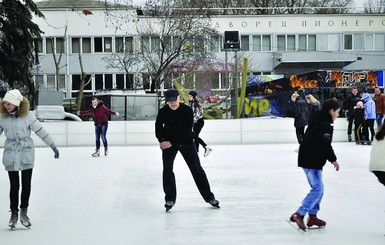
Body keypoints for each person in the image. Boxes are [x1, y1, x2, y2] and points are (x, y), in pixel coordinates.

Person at [0, 89, 60, 229]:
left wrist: (53, 146)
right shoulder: (2, 117)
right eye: (4, 103)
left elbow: (41, 132)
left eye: (9, 103)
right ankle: (14, 213)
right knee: (14, 186)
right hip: (11, 152)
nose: (6, 106)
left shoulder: (28, 116)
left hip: (26, 152)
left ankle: (24, 212)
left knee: (26, 185)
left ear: (16, 103)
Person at [155, 89, 219, 212]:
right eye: (169, 101)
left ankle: (209, 197)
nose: (172, 103)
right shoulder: (163, 112)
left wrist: (169, 142)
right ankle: (170, 199)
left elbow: (185, 131)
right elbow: (158, 127)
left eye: (174, 100)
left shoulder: (187, 110)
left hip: (186, 142)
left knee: (197, 169)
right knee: (167, 170)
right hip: (168, 144)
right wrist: (161, 140)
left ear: (179, 98)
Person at [289, 99, 341, 232]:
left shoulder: (317, 120)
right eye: (337, 112)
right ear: (331, 111)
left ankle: (312, 216)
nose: (338, 115)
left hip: (309, 158)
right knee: (317, 188)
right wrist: (333, 159)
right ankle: (299, 214)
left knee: (319, 188)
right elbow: (325, 144)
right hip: (311, 160)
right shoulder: (324, 125)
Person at [187, 90, 212, 157]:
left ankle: (206, 147)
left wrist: (191, 122)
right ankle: (196, 152)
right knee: (195, 137)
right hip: (195, 122)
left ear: (194, 97)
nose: (189, 97)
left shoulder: (197, 105)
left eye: (190, 96)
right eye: (189, 96)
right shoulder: (189, 104)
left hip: (199, 122)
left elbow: (197, 116)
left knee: (194, 136)